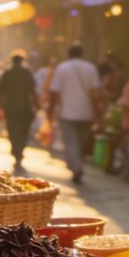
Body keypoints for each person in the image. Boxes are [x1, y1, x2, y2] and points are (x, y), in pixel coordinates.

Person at [48, 44, 102, 185]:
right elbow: (95, 93)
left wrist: (50, 109)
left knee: (71, 143)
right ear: (82, 53)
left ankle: (76, 166)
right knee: (81, 142)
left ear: (69, 53)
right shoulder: (90, 68)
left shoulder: (62, 68)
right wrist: (98, 112)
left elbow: (54, 91)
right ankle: (77, 166)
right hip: (86, 113)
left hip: (67, 113)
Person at [0, 51, 38, 169]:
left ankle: (16, 152)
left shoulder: (7, 73)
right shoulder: (27, 73)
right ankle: (19, 153)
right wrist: (36, 106)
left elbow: (0, 92)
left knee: (12, 131)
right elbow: (33, 91)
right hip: (25, 107)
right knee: (24, 132)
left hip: (10, 107)